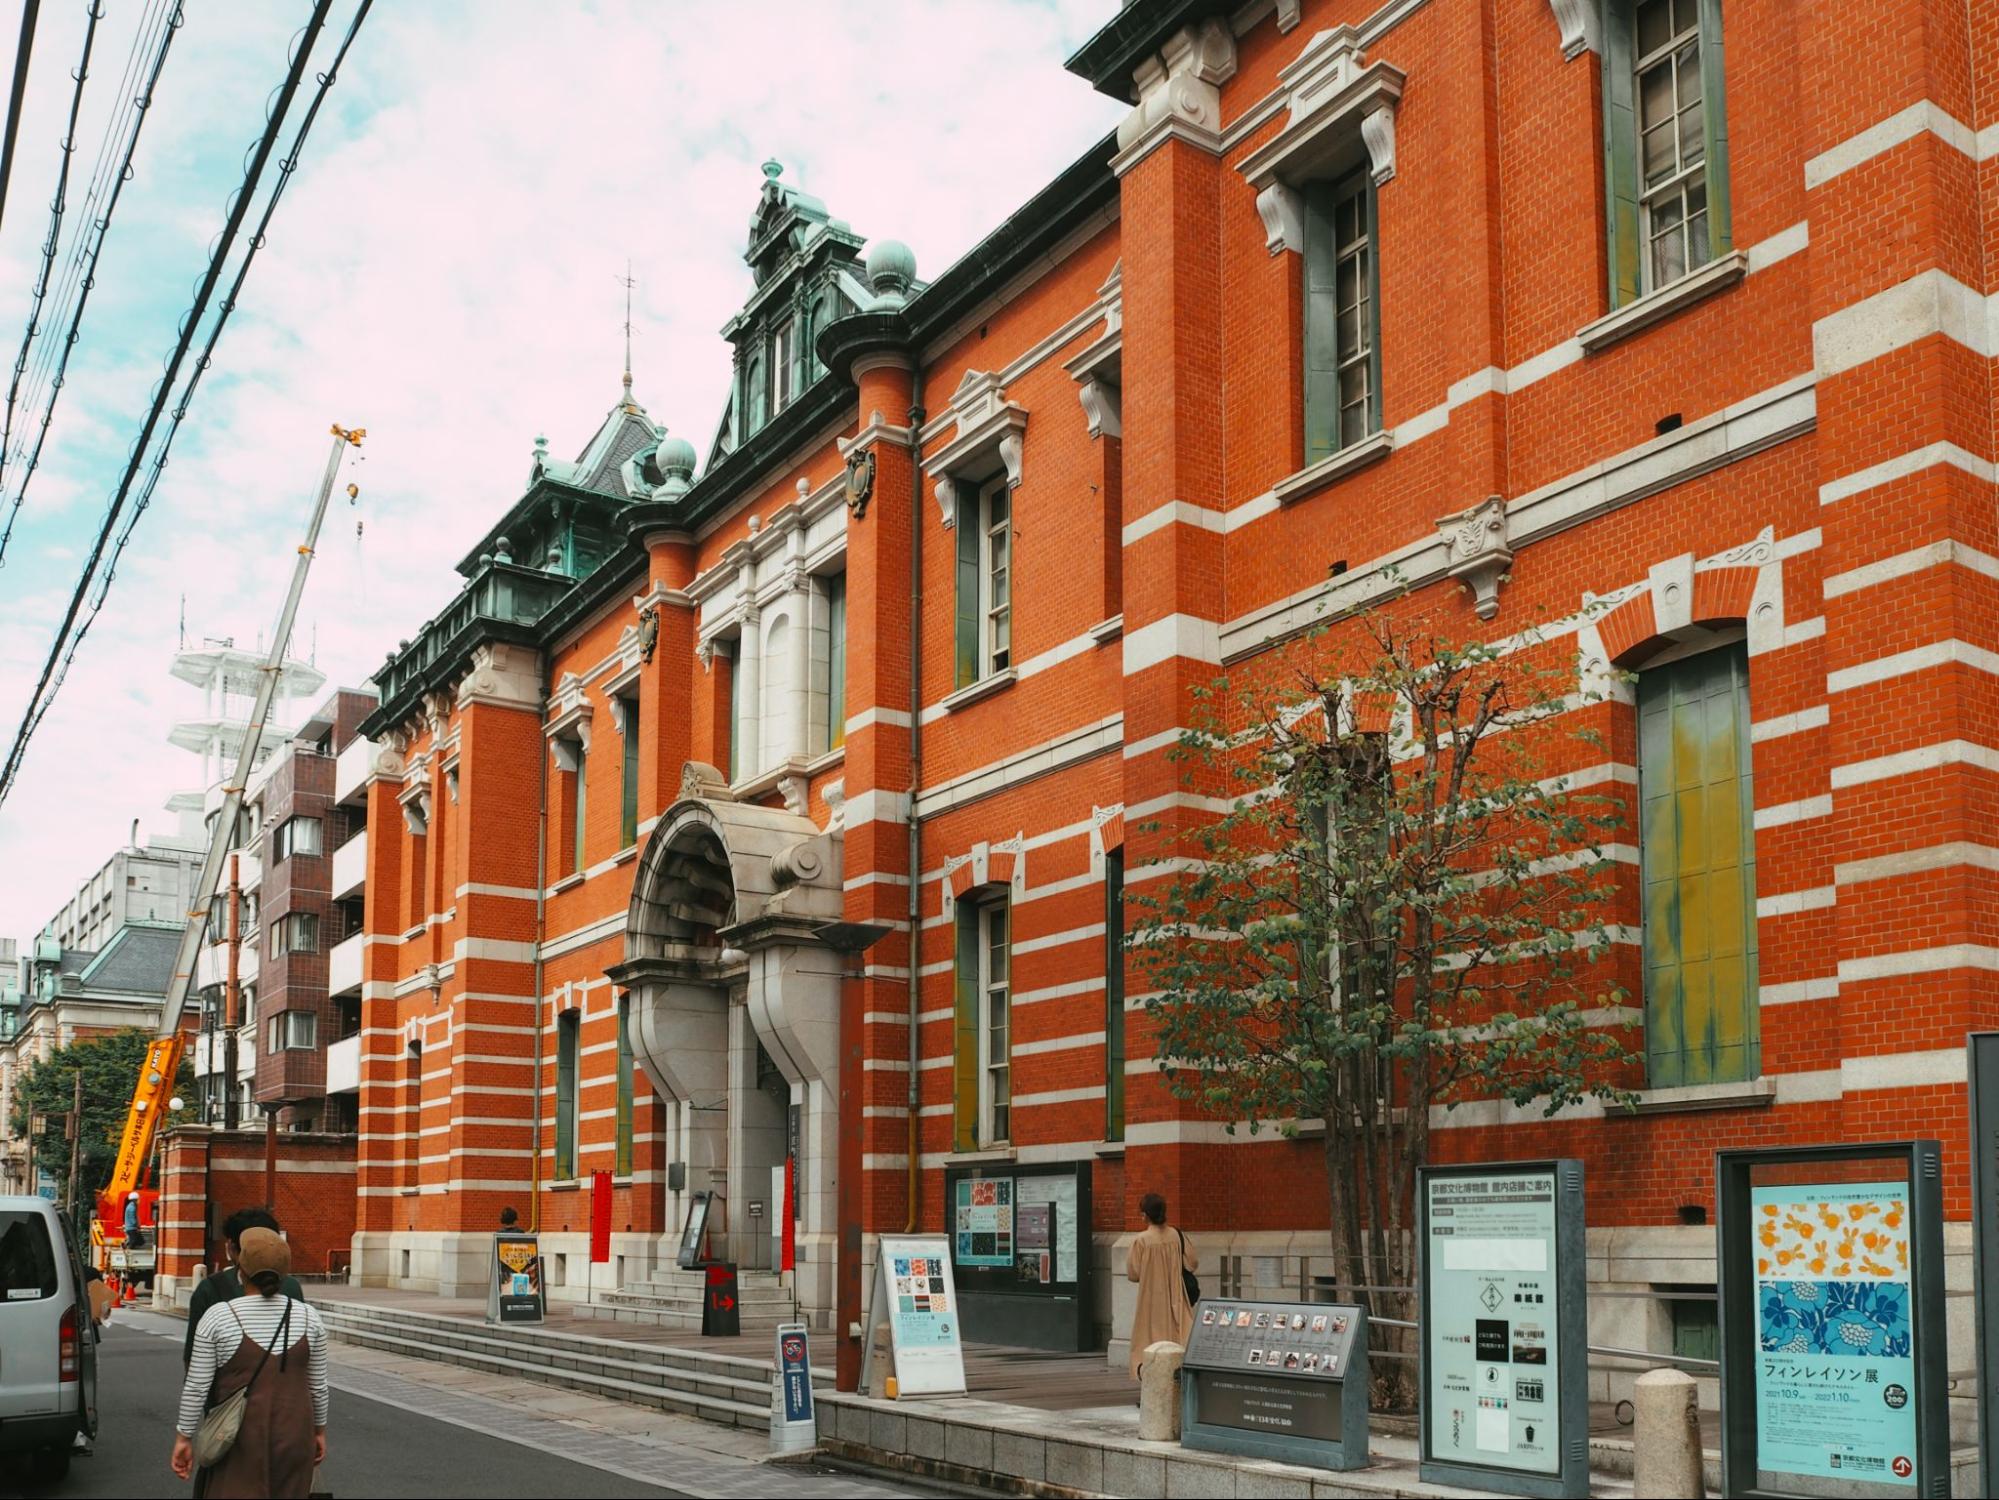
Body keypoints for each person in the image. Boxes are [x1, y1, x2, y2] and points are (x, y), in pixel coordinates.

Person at [172, 1227, 327, 1498]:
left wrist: (184, 1437)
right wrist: (319, 1431)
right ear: (285, 1273)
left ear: (240, 1270)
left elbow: (196, 1386)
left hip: (237, 1438)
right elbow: (319, 1388)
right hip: (295, 1434)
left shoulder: (219, 1317)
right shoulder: (309, 1317)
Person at [183, 1208, 307, 1368]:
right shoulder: (292, 1287)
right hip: (284, 1388)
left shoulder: (210, 1289)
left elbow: (194, 1357)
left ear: (232, 1248)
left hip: (229, 1389)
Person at [1125, 1191, 1197, 1380]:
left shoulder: (1141, 1240)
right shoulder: (1176, 1235)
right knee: (1178, 1338)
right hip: (1177, 1297)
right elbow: (1193, 1262)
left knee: (1150, 1342)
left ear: (1145, 1215)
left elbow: (1133, 1274)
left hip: (1151, 1301)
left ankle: (1153, 1385)